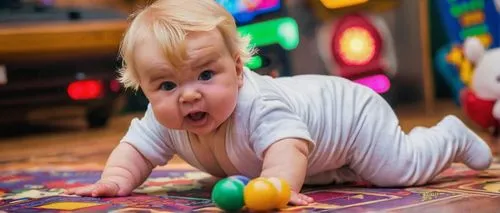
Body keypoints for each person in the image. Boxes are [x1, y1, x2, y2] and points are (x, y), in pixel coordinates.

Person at [66, 0, 493, 206]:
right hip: (323, 148)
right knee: (332, 176)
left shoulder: (259, 105)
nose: (189, 94)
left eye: (206, 75)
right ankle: (337, 169)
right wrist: (116, 179)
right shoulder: (163, 119)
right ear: (143, 87)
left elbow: (287, 148)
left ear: (237, 68)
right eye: (166, 85)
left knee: (394, 171)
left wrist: (280, 186)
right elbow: (135, 150)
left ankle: (447, 137)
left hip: (352, 117)